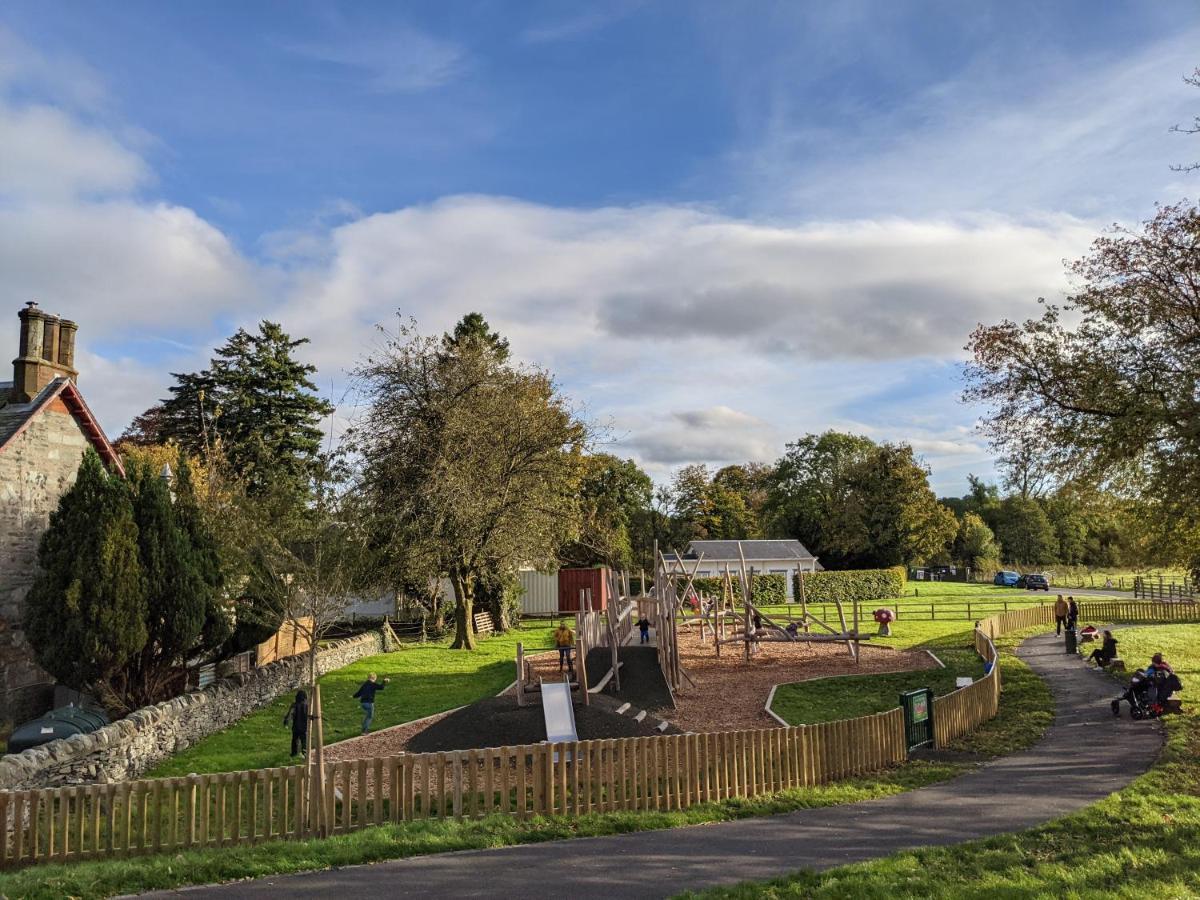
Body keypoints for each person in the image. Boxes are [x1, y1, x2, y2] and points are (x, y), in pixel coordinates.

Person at [282, 689, 310, 757]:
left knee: (294, 740)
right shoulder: (307, 706)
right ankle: (304, 752)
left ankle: (294, 753)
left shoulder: (294, 705)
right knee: (304, 740)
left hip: (296, 727)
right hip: (304, 726)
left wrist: (286, 722)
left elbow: (290, 714)